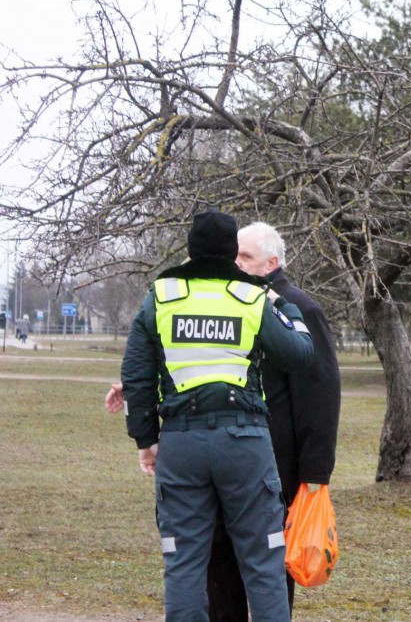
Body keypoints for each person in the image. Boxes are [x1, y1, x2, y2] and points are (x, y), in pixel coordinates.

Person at [107, 220, 342, 621]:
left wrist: (145, 440)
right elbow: (301, 354)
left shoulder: (162, 295)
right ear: (228, 250)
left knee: (182, 565)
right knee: (264, 564)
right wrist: (281, 306)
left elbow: (138, 372)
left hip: (181, 440)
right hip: (244, 441)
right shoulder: (251, 297)